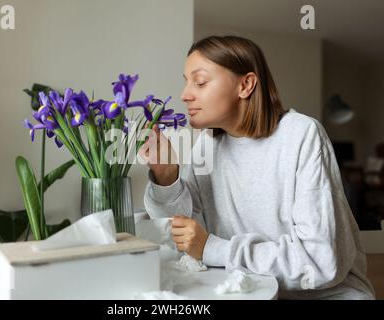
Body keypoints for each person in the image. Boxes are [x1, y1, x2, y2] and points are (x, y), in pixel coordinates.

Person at [140, 35, 375, 299]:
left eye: (201, 81)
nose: (185, 95)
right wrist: (166, 176)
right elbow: (184, 239)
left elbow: (319, 262)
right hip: (246, 290)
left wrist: (213, 249)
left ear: (246, 85)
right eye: (186, 82)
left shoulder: (301, 135)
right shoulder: (207, 146)